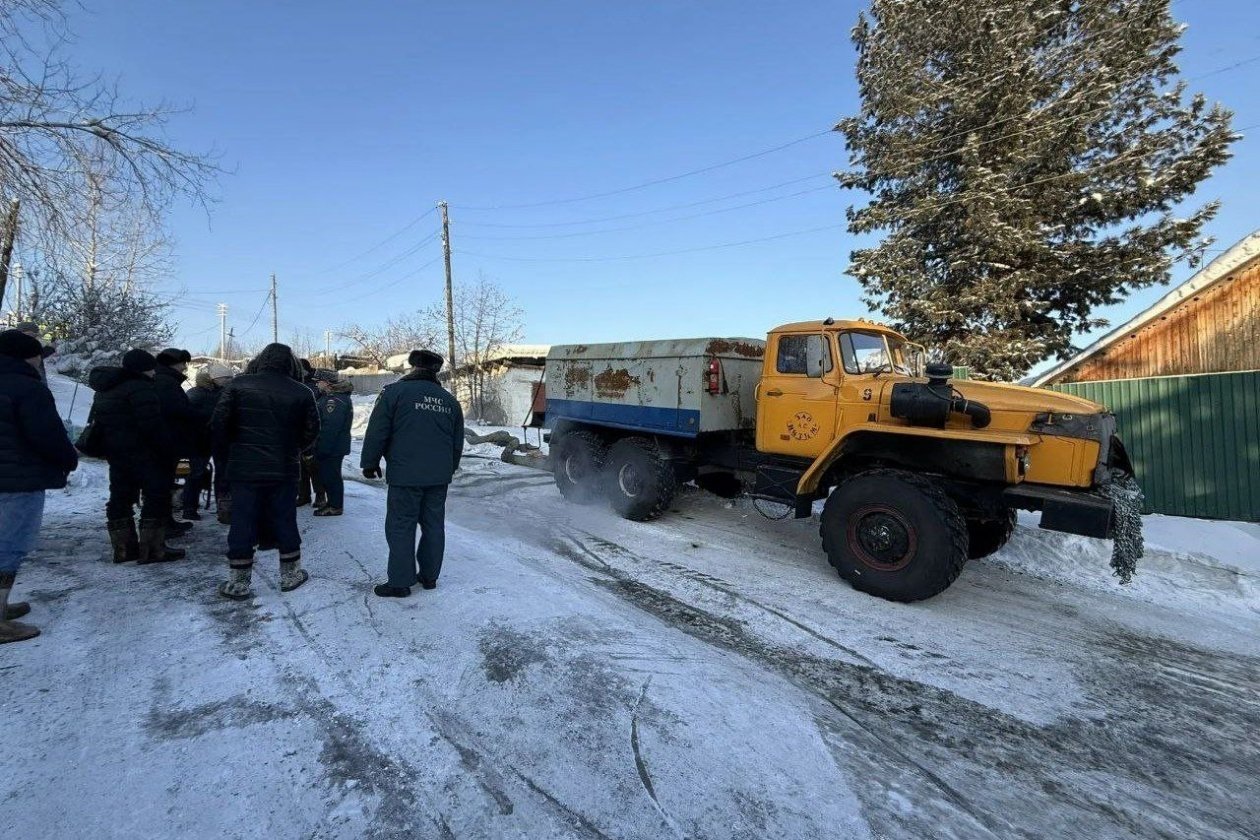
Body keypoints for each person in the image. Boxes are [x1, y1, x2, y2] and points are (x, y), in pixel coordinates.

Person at [211, 343, 319, 600]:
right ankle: (290, 574)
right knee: (285, 518)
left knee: (243, 520)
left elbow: (218, 425)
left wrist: (235, 449)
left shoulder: (237, 386)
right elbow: (312, 431)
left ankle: (238, 582)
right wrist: (292, 448)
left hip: (244, 468)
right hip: (284, 468)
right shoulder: (302, 392)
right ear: (290, 364)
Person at [361, 349, 463, 598]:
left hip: (405, 475)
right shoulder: (449, 401)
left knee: (400, 525)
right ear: (435, 371)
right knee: (433, 525)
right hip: (438, 477)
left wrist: (370, 462)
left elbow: (378, 431)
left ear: (412, 367)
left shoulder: (395, 393)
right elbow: (456, 443)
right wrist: (446, 469)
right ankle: (429, 577)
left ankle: (399, 582)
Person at [0, 330, 79, 643]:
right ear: (26, 356)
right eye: (38, 356)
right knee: (9, 545)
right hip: (17, 478)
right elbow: (47, 435)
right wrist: (68, 458)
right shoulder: (28, 388)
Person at [88, 349, 185, 563]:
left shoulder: (105, 390)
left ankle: (124, 549)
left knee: (120, 497)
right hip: (145, 453)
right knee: (156, 496)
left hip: (116, 452)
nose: (154, 373)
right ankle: (153, 550)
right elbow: (152, 426)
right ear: (144, 369)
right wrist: (168, 449)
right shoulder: (141, 388)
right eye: (151, 368)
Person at [183, 363, 234, 522]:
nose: (228, 381)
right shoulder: (209, 395)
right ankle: (221, 508)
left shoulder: (195, 393)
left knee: (198, 474)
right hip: (207, 441)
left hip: (205, 441)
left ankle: (190, 507)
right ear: (215, 379)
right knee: (209, 474)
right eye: (226, 378)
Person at [153, 348, 196, 534]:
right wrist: (198, 416)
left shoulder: (166, 380)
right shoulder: (166, 383)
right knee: (164, 484)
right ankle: (163, 524)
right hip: (169, 442)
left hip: (171, 441)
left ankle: (167, 521)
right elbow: (176, 411)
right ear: (172, 363)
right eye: (182, 363)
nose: (185, 367)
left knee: (170, 482)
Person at [311, 371, 354, 517]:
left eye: (319, 381)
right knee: (328, 476)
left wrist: (322, 448)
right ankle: (332, 503)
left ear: (327, 382)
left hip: (331, 447)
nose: (317, 384)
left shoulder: (334, 400)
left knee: (332, 476)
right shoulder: (330, 397)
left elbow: (330, 427)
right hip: (331, 446)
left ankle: (335, 506)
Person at [295, 358, 325, 509]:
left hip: (312, 431)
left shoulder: (314, 385)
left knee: (313, 466)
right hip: (298, 431)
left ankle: (320, 496)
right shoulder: (296, 382)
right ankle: (303, 495)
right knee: (300, 467)